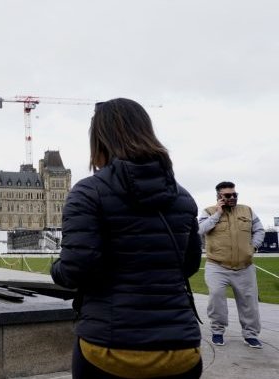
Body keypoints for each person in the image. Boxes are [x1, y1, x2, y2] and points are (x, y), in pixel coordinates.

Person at [50, 99, 203, 378]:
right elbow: (189, 265)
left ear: (99, 140)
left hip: (111, 351)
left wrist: (56, 268)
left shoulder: (87, 193)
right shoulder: (183, 197)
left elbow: (76, 270)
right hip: (181, 350)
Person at [198, 181, 265, 349]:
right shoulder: (208, 212)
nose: (232, 197)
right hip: (217, 265)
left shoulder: (247, 210)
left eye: (235, 194)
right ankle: (217, 331)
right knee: (216, 297)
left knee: (249, 302)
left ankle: (251, 335)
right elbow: (200, 230)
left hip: (245, 266)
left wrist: (253, 246)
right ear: (219, 197)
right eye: (228, 195)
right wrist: (217, 214)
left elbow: (259, 230)